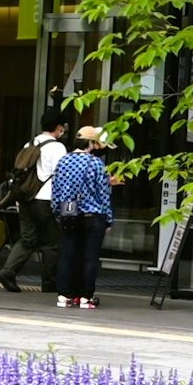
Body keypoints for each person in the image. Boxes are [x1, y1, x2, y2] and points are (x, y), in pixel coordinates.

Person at [0, 117, 66, 294]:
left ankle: (8, 271)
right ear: (58, 128)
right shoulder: (57, 147)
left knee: (28, 239)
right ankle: (50, 283)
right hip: (46, 199)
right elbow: (61, 176)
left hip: (25, 198)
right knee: (51, 243)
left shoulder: (30, 143)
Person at [50, 125, 115, 309]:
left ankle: (64, 295)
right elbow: (104, 195)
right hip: (92, 215)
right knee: (89, 257)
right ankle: (86, 297)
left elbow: (56, 191)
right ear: (91, 143)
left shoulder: (63, 161)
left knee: (67, 254)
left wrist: (57, 212)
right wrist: (108, 219)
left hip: (68, 212)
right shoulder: (96, 164)